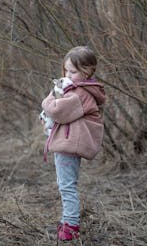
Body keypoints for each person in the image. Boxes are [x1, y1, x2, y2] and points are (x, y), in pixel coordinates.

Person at [41, 46, 105, 241]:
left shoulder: (80, 94)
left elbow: (56, 109)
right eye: (66, 70)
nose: (68, 74)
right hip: (67, 142)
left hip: (68, 144)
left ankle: (71, 227)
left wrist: (48, 99)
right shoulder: (78, 89)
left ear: (87, 71)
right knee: (65, 184)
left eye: (73, 71)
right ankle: (66, 221)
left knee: (66, 186)